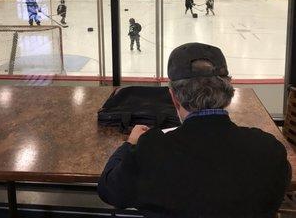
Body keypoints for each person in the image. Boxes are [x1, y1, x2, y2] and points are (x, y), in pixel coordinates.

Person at [98, 42, 291, 217]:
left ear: (173, 97)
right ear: (228, 93)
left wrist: (129, 145)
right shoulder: (269, 150)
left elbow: (109, 190)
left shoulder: (151, 150)